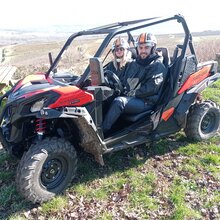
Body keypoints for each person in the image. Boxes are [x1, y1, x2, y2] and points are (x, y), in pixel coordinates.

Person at [102, 32, 167, 133]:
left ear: (153, 48)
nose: (143, 51)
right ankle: (108, 126)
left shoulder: (157, 66)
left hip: (146, 101)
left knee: (119, 102)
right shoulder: (134, 64)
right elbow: (123, 79)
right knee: (105, 97)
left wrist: (132, 93)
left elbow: (151, 88)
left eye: (146, 47)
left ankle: (103, 132)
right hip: (132, 97)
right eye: (140, 48)